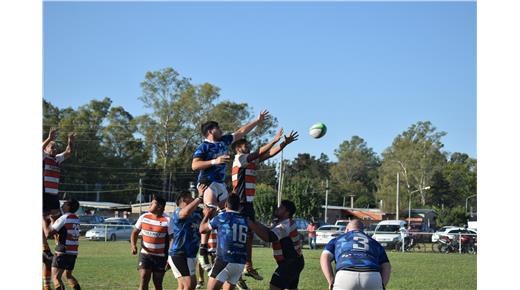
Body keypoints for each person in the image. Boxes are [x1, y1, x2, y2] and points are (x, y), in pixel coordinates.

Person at [192, 110, 269, 270]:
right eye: (217, 128)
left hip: (220, 184)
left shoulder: (224, 141)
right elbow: (195, 165)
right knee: (210, 213)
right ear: (210, 131)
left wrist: (257, 120)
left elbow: (241, 131)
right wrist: (215, 161)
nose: (220, 130)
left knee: (230, 214)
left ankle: (228, 253)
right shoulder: (203, 146)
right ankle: (203, 250)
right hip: (208, 183)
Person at [231, 128, 299, 280]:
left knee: (248, 235)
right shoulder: (240, 159)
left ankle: (246, 267)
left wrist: (284, 144)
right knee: (241, 235)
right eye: (244, 145)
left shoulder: (249, 160)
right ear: (237, 148)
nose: (247, 147)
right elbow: (259, 153)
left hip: (248, 203)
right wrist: (274, 140)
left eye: (247, 145)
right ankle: (241, 267)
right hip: (241, 202)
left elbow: (268, 154)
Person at [42, 128, 75, 290]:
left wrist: (70, 141)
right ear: (46, 149)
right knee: (44, 217)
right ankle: (44, 247)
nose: (54, 149)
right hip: (44, 193)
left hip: (54, 194)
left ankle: (56, 245)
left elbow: (68, 153)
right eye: (51, 147)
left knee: (56, 218)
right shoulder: (43, 157)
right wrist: (49, 138)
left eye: (55, 147)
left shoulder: (56, 160)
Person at [248, 200, 305, 290]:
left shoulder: (285, 224)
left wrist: (251, 224)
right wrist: (255, 222)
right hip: (295, 261)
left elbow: (268, 237)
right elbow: (269, 231)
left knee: (274, 286)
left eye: (281, 208)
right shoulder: (282, 223)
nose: (278, 209)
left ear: (287, 212)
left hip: (291, 262)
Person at [320, 219, 391, 290]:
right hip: (372, 274)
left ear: (347, 230)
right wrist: (382, 285)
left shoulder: (338, 239)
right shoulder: (374, 242)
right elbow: (386, 265)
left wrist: (331, 280)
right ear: (362, 230)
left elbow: (325, 257)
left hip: (345, 273)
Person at [131, 195, 172, 290]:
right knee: (144, 277)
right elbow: (135, 232)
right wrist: (133, 246)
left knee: (158, 283)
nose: (149, 205)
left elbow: (172, 239)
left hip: (161, 257)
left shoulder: (168, 220)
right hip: (145, 255)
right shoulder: (143, 217)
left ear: (159, 207)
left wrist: (170, 257)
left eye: (152, 203)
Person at [168, 188, 205, 290]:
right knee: (188, 285)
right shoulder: (177, 212)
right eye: (191, 197)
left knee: (188, 285)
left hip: (191, 254)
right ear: (184, 199)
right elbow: (185, 213)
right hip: (179, 253)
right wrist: (199, 197)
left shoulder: (198, 213)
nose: (193, 199)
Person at [43, 198, 81, 290]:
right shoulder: (76, 218)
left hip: (62, 251)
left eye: (65, 203)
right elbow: (62, 231)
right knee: (68, 275)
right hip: (73, 252)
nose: (62, 205)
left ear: (68, 206)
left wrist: (43, 220)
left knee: (56, 278)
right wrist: (53, 221)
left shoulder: (64, 217)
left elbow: (48, 234)